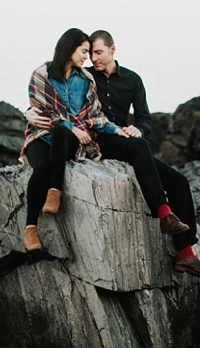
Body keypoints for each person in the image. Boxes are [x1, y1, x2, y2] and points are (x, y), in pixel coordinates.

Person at [26, 30, 200, 279]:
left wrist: (137, 129)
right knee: (141, 149)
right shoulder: (85, 75)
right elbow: (55, 99)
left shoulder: (131, 80)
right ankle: (162, 212)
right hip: (98, 139)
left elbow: (144, 118)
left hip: (120, 137)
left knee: (178, 181)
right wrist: (29, 112)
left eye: (97, 52)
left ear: (112, 50)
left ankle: (185, 253)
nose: (92, 58)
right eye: (89, 52)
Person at [19, 28, 129, 252]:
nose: (87, 57)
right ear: (69, 49)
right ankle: (31, 229)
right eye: (83, 51)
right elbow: (41, 112)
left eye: (88, 52)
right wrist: (72, 126)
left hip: (66, 140)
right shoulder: (41, 74)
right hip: (41, 135)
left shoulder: (86, 80)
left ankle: (55, 191)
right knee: (40, 167)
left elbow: (94, 116)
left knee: (61, 132)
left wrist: (117, 130)